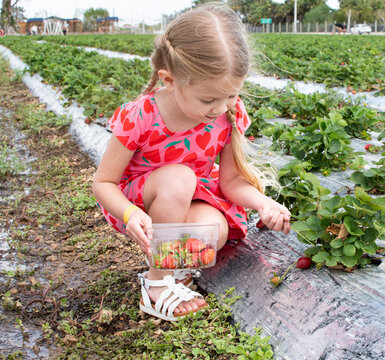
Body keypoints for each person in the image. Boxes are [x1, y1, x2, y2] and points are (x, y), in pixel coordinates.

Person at [92, 4, 291, 322]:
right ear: (169, 80)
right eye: (208, 99)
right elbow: (103, 183)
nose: (220, 108)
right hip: (138, 203)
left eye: (231, 96)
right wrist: (129, 214)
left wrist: (263, 204)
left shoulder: (228, 113)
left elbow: (231, 182)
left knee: (216, 230)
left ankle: (175, 268)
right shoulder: (141, 116)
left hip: (188, 195)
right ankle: (156, 285)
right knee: (179, 178)